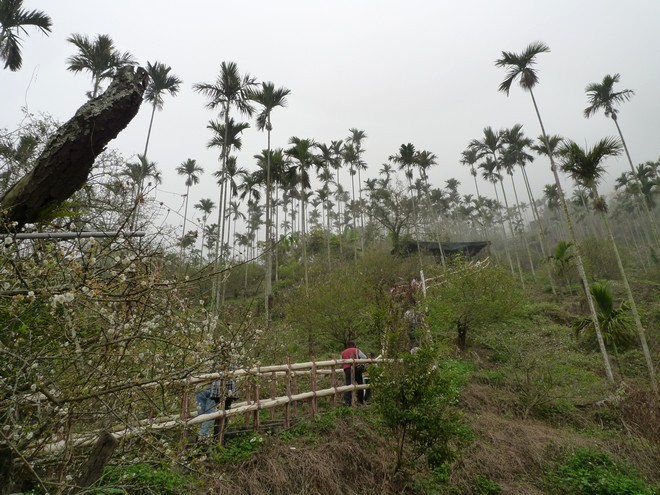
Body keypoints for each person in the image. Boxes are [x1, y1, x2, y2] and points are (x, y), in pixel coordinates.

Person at [196, 366, 239, 439]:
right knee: (208, 415)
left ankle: (202, 437)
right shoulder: (225, 360)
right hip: (212, 389)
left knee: (205, 416)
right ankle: (203, 437)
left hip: (204, 388)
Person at [341, 341, 366, 406]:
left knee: (348, 385)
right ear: (354, 345)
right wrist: (362, 364)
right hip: (355, 368)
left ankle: (347, 402)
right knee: (360, 384)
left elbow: (341, 361)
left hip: (346, 369)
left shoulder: (343, 352)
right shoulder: (356, 350)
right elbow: (364, 357)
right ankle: (360, 400)